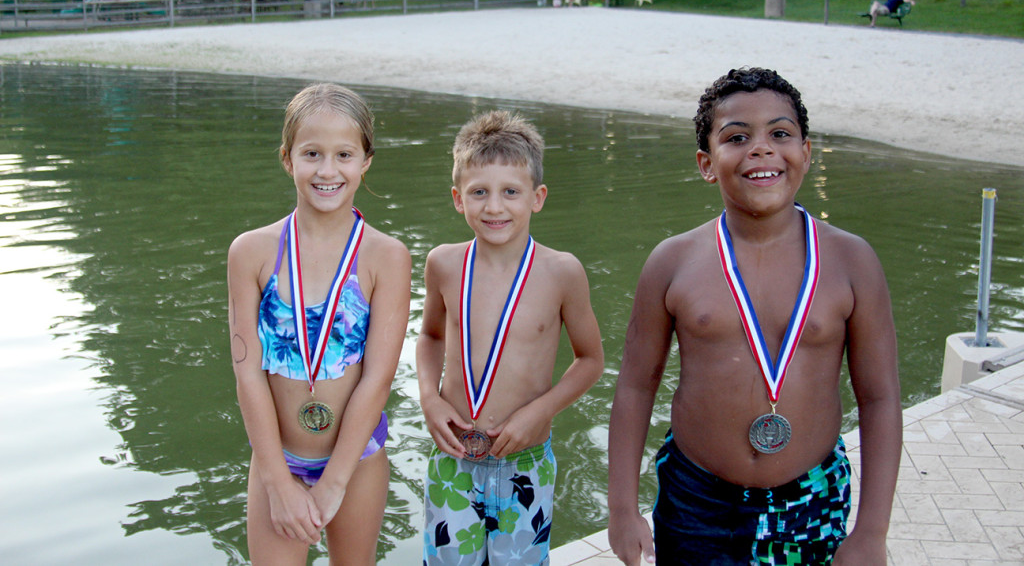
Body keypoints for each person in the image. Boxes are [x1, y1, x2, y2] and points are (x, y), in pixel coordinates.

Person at [607, 67, 902, 565]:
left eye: (780, 134)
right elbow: (636, 386)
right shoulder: (672, 261)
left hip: (813, 498)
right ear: (706, 163)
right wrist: (621, 508)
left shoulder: (852, 261)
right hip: (696, 500)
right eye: (737, 137)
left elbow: (880, 398)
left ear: (806, 153)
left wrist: (872, 530)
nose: (761, 149)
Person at [227, 82, 411, 565]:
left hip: (356, 463)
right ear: (287, 158)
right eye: (312, 153)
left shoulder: (385, 257)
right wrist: (276, 483)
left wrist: (334, 482)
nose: (327, 171)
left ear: (366, 160)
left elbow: (378, 378)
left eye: (344, 154)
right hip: (275, 460)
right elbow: (248, 374)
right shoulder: (252, 252)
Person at [417, 110, 605, 565]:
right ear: (458, 198)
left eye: (510, 193)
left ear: (537, 198)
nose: (494, 207)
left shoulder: (562, 272)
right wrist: (429, 398)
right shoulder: (443, 263)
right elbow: (429, 337)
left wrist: (539, 411)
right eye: (479, 192)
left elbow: (590, 360)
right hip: (454, 459)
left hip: (527, 461)